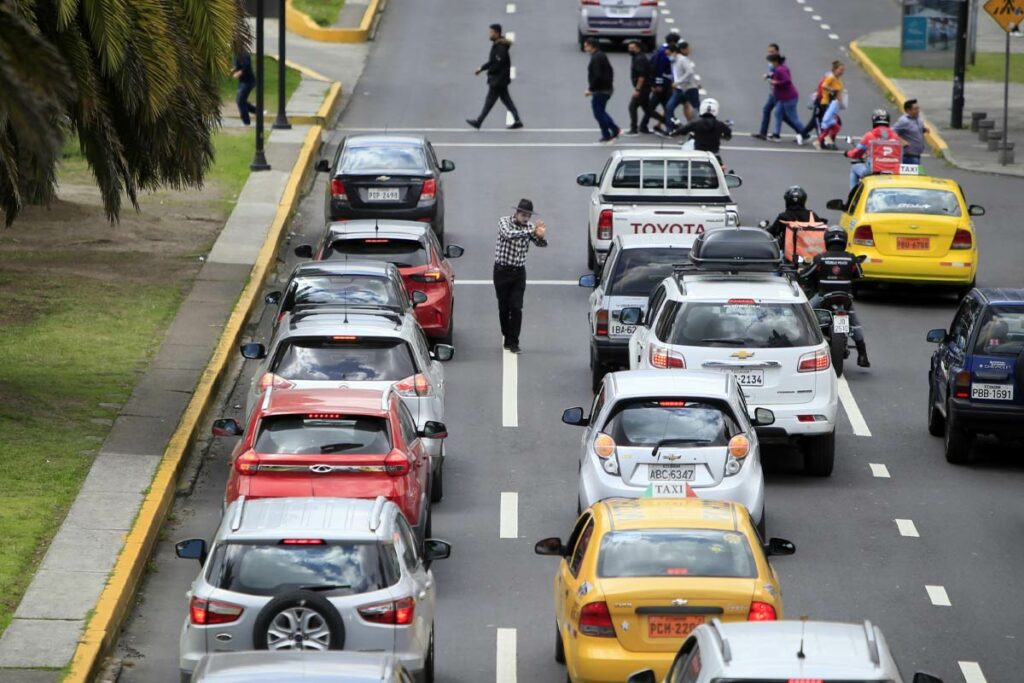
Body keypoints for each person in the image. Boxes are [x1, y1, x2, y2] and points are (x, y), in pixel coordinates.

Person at [799, 226, 870, 367]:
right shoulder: (851, 259)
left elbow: (806, 274)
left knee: (805, 315)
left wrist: (800, 271)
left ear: (827, 240)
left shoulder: (821, 258)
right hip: (845, 298)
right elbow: (860, 275)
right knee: (855, 325)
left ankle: (803, 344)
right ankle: (863, 355)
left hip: (824, 297)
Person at [493, 199, 548, 353]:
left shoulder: (529, 228)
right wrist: (530, 231)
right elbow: (509, 235)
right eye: (523, 214)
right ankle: (507, 336)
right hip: (501, 271)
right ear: (516, 213)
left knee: (516, 307)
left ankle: (514, 342)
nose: (525, 218)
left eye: (528, 216)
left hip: (518, 273)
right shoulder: (504, 222)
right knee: (504, 308)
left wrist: (540, 235)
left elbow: (541, 244)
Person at [467, 23, 523, 130]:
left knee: (489, 101)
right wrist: (482, 68)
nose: (489, 34)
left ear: (497, 33)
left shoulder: (500, 47)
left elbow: (497, 64)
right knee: (506, 100)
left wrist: (490, 72)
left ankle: (479, 121)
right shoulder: (498, 45)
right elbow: (492, 61)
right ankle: (517, 120)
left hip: (498, 80)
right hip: (500, 80)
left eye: (491, 32)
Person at [845, 109, 905, 189]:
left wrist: (847, 153)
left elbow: (857, 152)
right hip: (893, 170)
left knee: (854, 168)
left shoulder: (869, 135)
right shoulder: (895, 136)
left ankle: (852, 197)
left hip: (875, 169)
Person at [670, 97, 731, 165]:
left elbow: (683, 130)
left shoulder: (695, 123)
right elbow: (728, 135)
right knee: (721, 169)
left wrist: (674, 133)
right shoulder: (720, 125)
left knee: (688, 167)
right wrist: (722, 135)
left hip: (698, 153)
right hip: (714, 154)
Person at [584, 38, 621, 143]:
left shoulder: (597, 57)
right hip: (605, 88)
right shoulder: (600, 55)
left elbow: (598, 75)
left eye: (586, 45)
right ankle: (606, 134)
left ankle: (614, 129)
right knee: (599, 112)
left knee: (599, 112)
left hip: (601, 90)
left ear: (592, 46)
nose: (585, 47)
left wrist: (591, 89)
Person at [802, 60, 845, 144]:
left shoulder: (838, 80)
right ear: (835, 69)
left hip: (833, 104)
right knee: (832, 122)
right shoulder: (831, 78)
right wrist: (832, 90)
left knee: (831, 123)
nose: (842, 72)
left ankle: (824, 140)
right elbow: (824, 86)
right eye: (840, 69)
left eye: (843, 70)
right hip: (825, 103)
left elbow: (839, 92)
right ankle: (824, 141)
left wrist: (842, 103)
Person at [626, 40, 662, 135]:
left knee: (632, 106)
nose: (630, 50)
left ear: (638, 48)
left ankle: (633, 128)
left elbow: (642, 76)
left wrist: (637, 90)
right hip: (645, 87)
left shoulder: (640, 59)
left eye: (632, 48)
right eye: (629, 48)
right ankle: (666, 121)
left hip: (643, 88)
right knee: (647, 109)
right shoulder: (636, 57)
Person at [766, 53, 804, 142]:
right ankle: (776, 134)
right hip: (783, 98)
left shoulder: (780, 69)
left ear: (775, 62)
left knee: (793, 118)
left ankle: (805, 133)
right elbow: (778, 76)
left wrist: (775, 83)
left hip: (788, 98)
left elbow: (787, 81)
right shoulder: (780, 68)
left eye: (771, 62)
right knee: (778, 113)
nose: (770, 64)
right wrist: (769, 76)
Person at [662, 41, 699, 128]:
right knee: (669, 107)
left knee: (697, 109)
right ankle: (670, 129)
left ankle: (699, 127)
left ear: (674, 52)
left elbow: (690, 72)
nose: (668, 56)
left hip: (689, 89)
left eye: (669, 54)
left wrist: (678, 82)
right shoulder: (673, 61)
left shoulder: (682, 60)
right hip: (679, 90)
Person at [648, 33, 680, 127]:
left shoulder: (662, 49)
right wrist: (658, 84)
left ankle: (670, 124)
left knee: (665, 105)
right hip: (663, 83)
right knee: (662, 106)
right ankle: (670, 124)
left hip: (665, 83)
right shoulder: (664, 52)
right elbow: (659, 69)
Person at [753, 43, 780, 140]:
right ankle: (763, 133)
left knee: (784, 115)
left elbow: (781, 77)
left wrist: (770, 77)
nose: (770, 54)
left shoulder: (779, 64)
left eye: (772, 52)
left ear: (777, 52)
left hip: (779, 93)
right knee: (767, 110)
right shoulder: (770, 63)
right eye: (769, 52)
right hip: (773, 92)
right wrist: (769, 76)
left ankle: (802, 132)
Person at [892, 98, 928, 165]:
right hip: (908, 156)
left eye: (918, 108)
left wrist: (923, 129)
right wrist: (901, 141)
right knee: (911, 175)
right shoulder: (903, 121)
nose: (918, 111)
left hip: (917, 155)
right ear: (908, 110)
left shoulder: (918, 119)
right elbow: (891, 132)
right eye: (915, 109)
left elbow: (915, 129)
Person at [232, 49, 257, 126]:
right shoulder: (236, 53)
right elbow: (238, 65)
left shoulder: (243, 53)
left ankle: (246, 122)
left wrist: (239, 73)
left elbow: (247, 66)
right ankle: (258, 111)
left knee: (240, 101)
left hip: (248, 81)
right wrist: (234, 69)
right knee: (241, 101)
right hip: (242, 81)